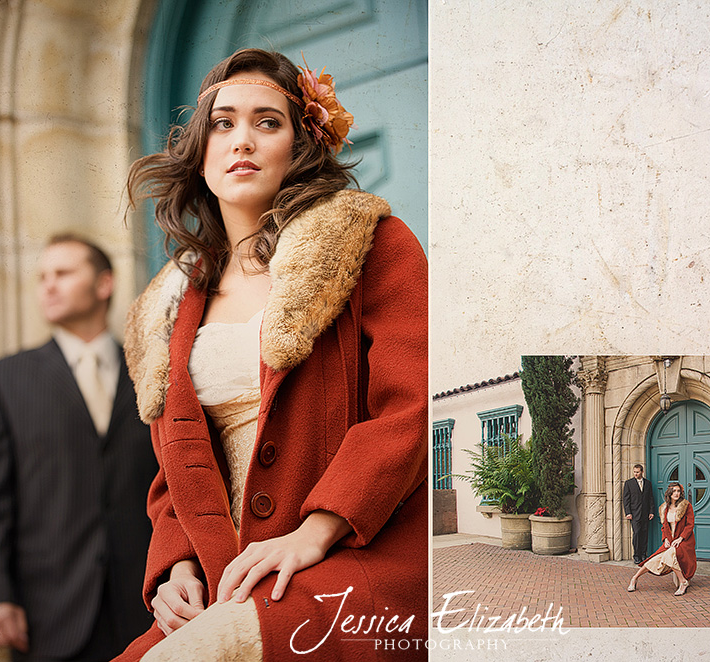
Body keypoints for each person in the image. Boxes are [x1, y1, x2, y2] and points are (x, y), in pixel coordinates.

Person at [115, 48, 427, 661]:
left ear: (300, 145)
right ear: (200, 153)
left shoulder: (374, 246)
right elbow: (172, 475)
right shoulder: (169, 307)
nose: (242, 141)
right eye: (223, 123)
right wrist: (176, 566)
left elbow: (408, 408)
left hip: (354, 558)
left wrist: (313, 534)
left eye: (267, 122)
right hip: (224, 579)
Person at [0, 235, 157, 661]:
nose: (48, 286)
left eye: (63, 273)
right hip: (46, 613)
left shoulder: (149, 372)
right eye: (42, 277)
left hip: (147, 610)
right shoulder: (3, 380)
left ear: (104, 284)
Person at [626, 482, 696, 596]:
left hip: (684, 541)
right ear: (669, 493)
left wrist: (681, 538)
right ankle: (634, 578)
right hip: (670, 541)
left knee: (669, 555)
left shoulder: (686, 505)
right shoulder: (664, 508)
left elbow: (690, 525)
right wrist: (665, 539)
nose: (676, 493)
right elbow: (664, 527)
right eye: (674, 491)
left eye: (678, 491)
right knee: (654, 559)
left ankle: (683, 582)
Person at [622, 463, 655, 563]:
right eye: (634, 472)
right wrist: (628, 512)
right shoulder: (629, 483)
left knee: (644, 534)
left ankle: (644, 555)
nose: (635, 474)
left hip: (645, 514)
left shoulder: (648, 483)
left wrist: (651, 512)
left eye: (637, 472)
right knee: (636, 534)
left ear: (642, 472)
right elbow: (625, 499)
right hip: (634, 514)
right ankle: (636, 555)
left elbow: (650, 498)